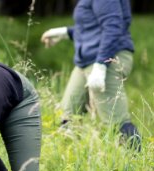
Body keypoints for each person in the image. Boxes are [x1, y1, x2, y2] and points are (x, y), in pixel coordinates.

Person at [40, 0, 141, 151]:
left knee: (116, 122)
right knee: (66, 117)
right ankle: (68, 164)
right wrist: (66, 32)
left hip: (108, 58)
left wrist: (101, 66)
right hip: (86, 62)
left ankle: (138, 166)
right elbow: (91, 27)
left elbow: (113, 26)